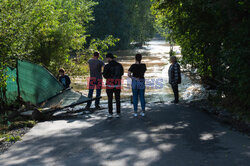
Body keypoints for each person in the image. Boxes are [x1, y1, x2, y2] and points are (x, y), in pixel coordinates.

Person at [103, 53, 124, 118]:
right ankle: (118, 113)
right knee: (117, 99)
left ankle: (110, 113)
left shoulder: (107, 66)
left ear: (109, 58)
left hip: (109, 84)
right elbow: (122, 73)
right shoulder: (119, 65)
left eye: (107, 58)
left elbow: (105, 76)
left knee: (110, 99)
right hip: (117, 84)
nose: (106, 59)